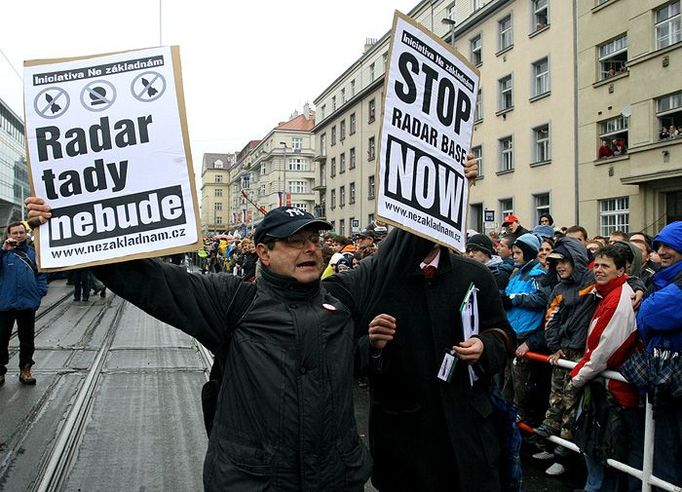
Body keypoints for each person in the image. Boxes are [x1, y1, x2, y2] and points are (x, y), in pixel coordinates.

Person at [363, 237, 514, 491]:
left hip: (467, 431)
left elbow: (504, 334)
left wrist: (484, 345)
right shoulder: (375, 276)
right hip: (403, 436)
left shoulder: (474, 274)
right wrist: (372, 345)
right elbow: (352, 352)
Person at [569, 245, 640, 492]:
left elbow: (604, 352)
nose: (598, 270)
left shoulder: (618, 300)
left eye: (605, 266)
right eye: (596, 265)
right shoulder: (607, 294)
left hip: (613, 392)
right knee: (599, 451)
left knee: (603, 450)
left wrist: (576, 377)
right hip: (604, 387)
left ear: (621, 270)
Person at [535, 237, 596, 476]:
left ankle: (564, 457)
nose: (559, 266)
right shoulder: (558, 289)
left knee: (573, 405)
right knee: (556, 398)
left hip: (582, 355)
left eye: (563, 261)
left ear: (576, 261)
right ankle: (555, 447)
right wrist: (554, 346)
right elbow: (550, 319)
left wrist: (640, 287)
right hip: (562, 352)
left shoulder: (593, 282)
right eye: (555, 263)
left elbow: (626, 280)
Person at [634, 221, 682, 489]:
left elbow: (650, 315)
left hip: (675, 380)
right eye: (659, 246)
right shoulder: (658, 279)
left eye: (670, 245)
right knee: (663, 457)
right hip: (665, 380)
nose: (662, 251)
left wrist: (647, 302)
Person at [501, 233, 550, 427]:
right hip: (513, 332)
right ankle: (508, 417)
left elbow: (540, 299)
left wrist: (513, 299)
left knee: (523, 384)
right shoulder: (516, 273)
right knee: (508, 381)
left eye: (518, 253)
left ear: (528, 253)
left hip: (527, 334)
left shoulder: (538, 274)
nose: (514, 256)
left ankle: (524, 421)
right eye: (513, 252)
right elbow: (507, 295)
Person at [0, 222, 48, 385]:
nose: (18, 236)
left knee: (27, 339)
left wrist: (39, 292)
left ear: (26, 234)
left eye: (21, 232)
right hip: (4, 302)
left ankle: (25, 369)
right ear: (8, 235)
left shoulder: (33, 253)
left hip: (27, 302)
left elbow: (41, 274)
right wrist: (3, 251)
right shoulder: (3, 253)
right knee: (1, 338)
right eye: (15, 233)